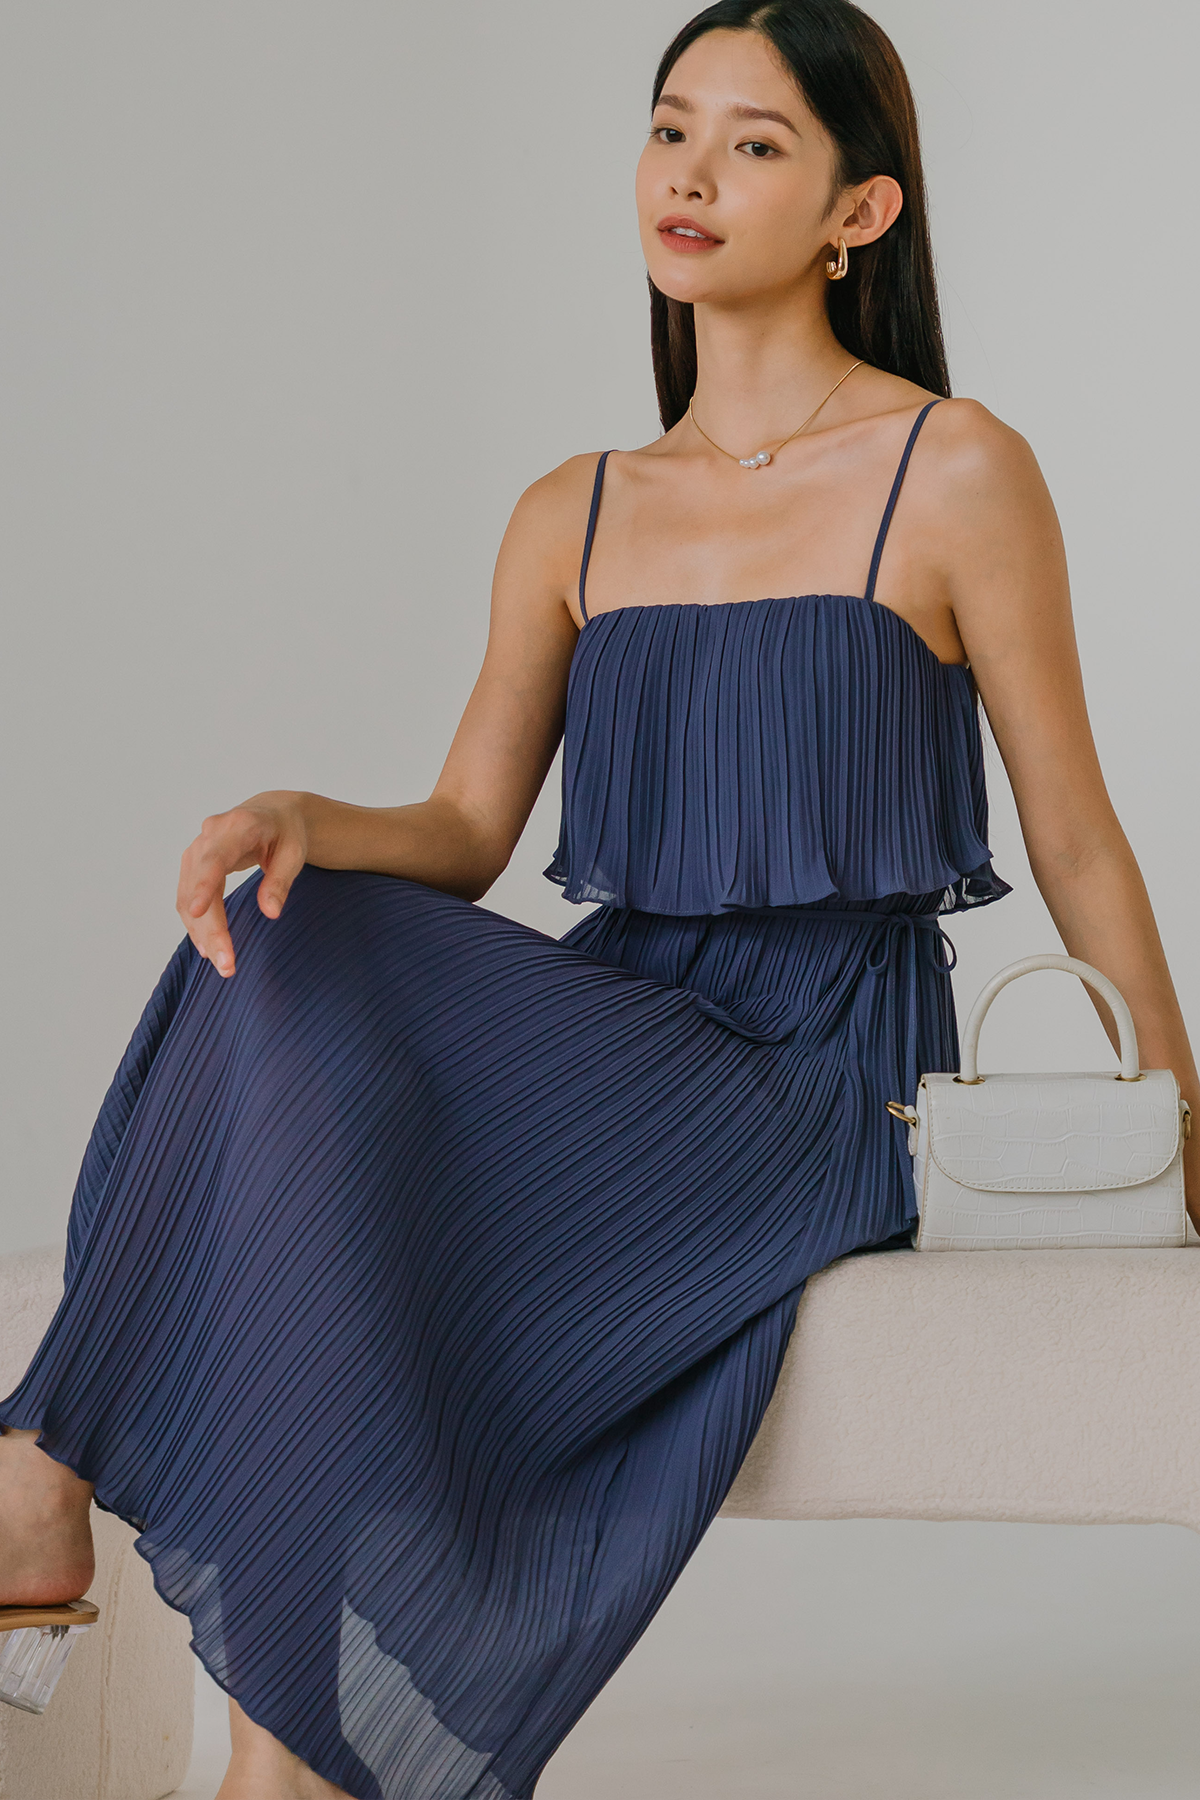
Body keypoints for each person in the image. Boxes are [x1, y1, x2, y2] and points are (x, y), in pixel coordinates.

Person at [3, 1, 1196, 1795]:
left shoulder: (954, 469)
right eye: (668, 127)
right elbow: (468, 828)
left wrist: (1182, 1144)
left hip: (819, 1068)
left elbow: (1078, 840)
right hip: (622, 1018)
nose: (690, 174)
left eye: (755, 143)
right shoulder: (572, 508)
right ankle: (245, 1709)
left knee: (320, 1113)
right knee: (285, 937)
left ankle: (74, 1517)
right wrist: (307, 817)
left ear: (860, 211)